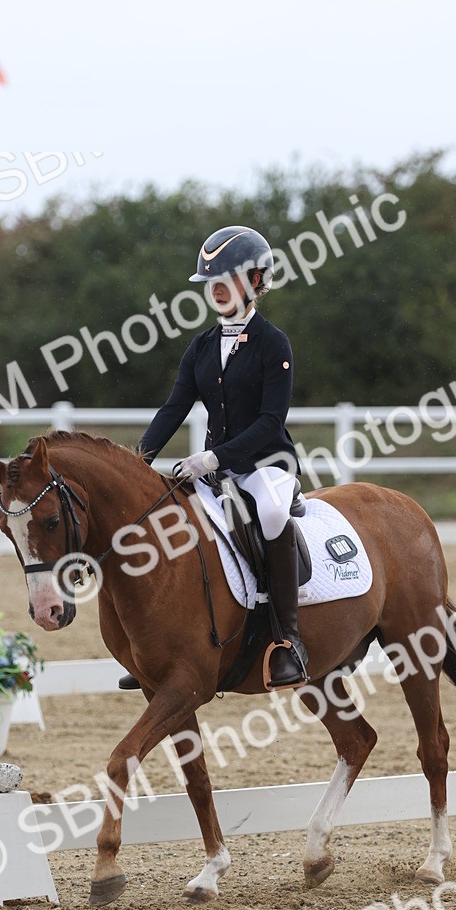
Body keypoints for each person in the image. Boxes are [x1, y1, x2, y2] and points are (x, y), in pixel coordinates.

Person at [132, 225, 308, 690]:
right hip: (218, 471)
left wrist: (211, 459)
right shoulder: (202, 347)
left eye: (226, 280)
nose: (216, 290)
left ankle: (288, 640)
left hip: (269, 465)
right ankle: (165, 647)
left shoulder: (274, 344)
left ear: (254, 282)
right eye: (211, 283)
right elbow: (174, 408)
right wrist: (138, 460)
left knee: (270, 513)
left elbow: (271, 421)